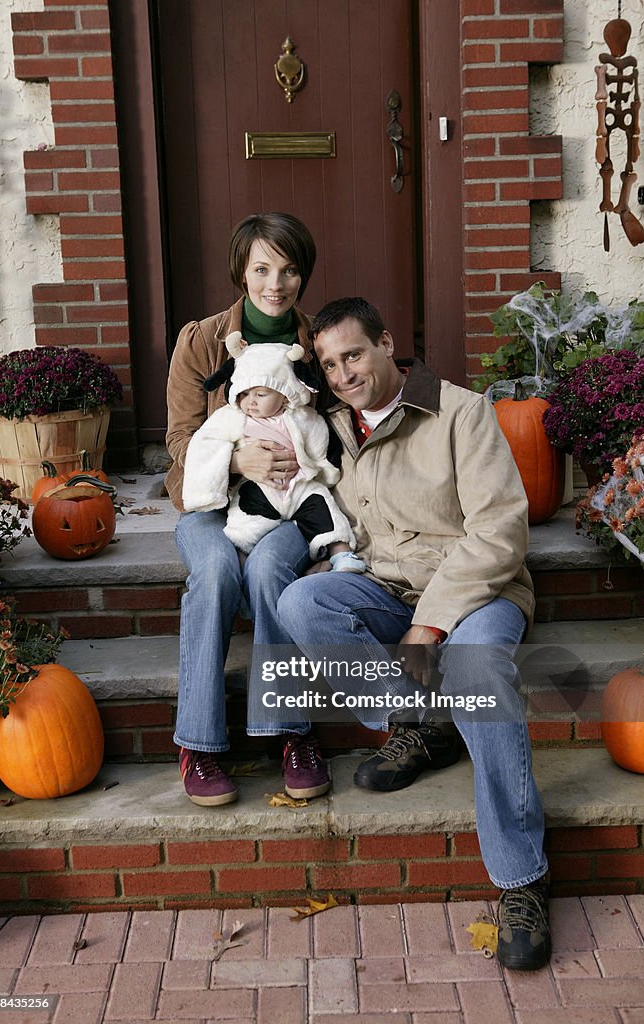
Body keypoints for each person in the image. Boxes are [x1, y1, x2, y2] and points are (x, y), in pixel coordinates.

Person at [276, 296, 551, 971]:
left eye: (354, 355)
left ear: (386, 343)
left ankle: (521, 880)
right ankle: (418, 719)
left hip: (473, 590)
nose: (343, 373)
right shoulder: (334, 425)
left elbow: (500, 532)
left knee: (477, 670)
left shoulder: (458, 411)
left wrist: (431, 624)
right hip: (387, 586)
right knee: (303, 603)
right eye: (330, 363)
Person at [165, 212, 333, 808]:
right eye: (262, 268)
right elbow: (181, 444)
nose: (275, 283)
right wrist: (238, 460)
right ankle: (200, 744)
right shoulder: (202, 341)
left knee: (267, 572)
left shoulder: (320, 341)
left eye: (289, 270)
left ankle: (292, 734)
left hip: (290, 506)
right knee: (213, 572)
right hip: (212, 505)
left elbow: (340, 432)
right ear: (241, 270)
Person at [181, 332, 364, 572]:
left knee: (325, 508)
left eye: (261, 394)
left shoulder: (302, 417)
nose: (251, 402)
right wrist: (231, 462)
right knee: (243, 527)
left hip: (300, 487)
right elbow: (203, 443)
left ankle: (342, 554)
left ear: (284, 394)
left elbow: (319, 440)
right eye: (244, 394)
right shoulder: (234, 417)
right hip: (259, 488)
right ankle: (242, 557)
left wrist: (322, 468)